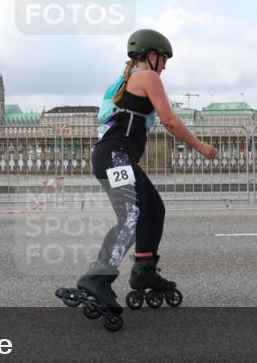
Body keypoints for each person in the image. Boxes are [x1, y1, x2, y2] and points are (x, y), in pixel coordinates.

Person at [76, 28, 219, 313]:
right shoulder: (147, 77)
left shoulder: (129, 78)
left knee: (153, 210)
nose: (164, 66)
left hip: (117, 159)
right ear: (152, 55)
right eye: (164, 59)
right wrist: (201, 147)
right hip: (115, 159)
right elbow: (170, 120)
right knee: (131, 217)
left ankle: (145, 269)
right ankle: (98, 277)